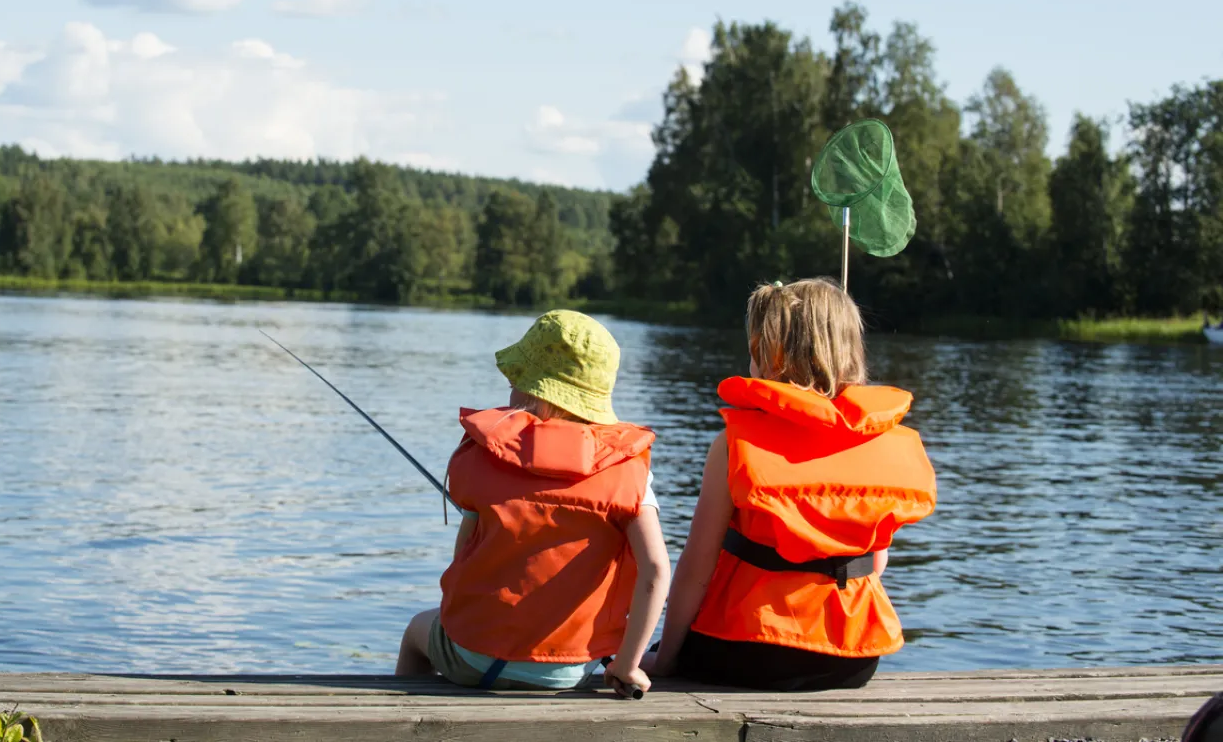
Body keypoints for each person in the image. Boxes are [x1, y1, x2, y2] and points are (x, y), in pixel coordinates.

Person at [643, 278, 937, 691]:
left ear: (765, 354)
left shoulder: (736, 444)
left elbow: (697, 568)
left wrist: (667, 656)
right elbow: (876, 564)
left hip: (748, 646)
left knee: (642, 654)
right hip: (852, 658)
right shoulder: (886, 442)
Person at [395, 310, 671, 698]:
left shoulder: (482, 453)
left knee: (414, 632)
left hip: (469, 658)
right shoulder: (628, 470)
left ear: (530, 388)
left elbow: (463, 556)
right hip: (567, 668)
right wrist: (626, 664)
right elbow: (656, 569)